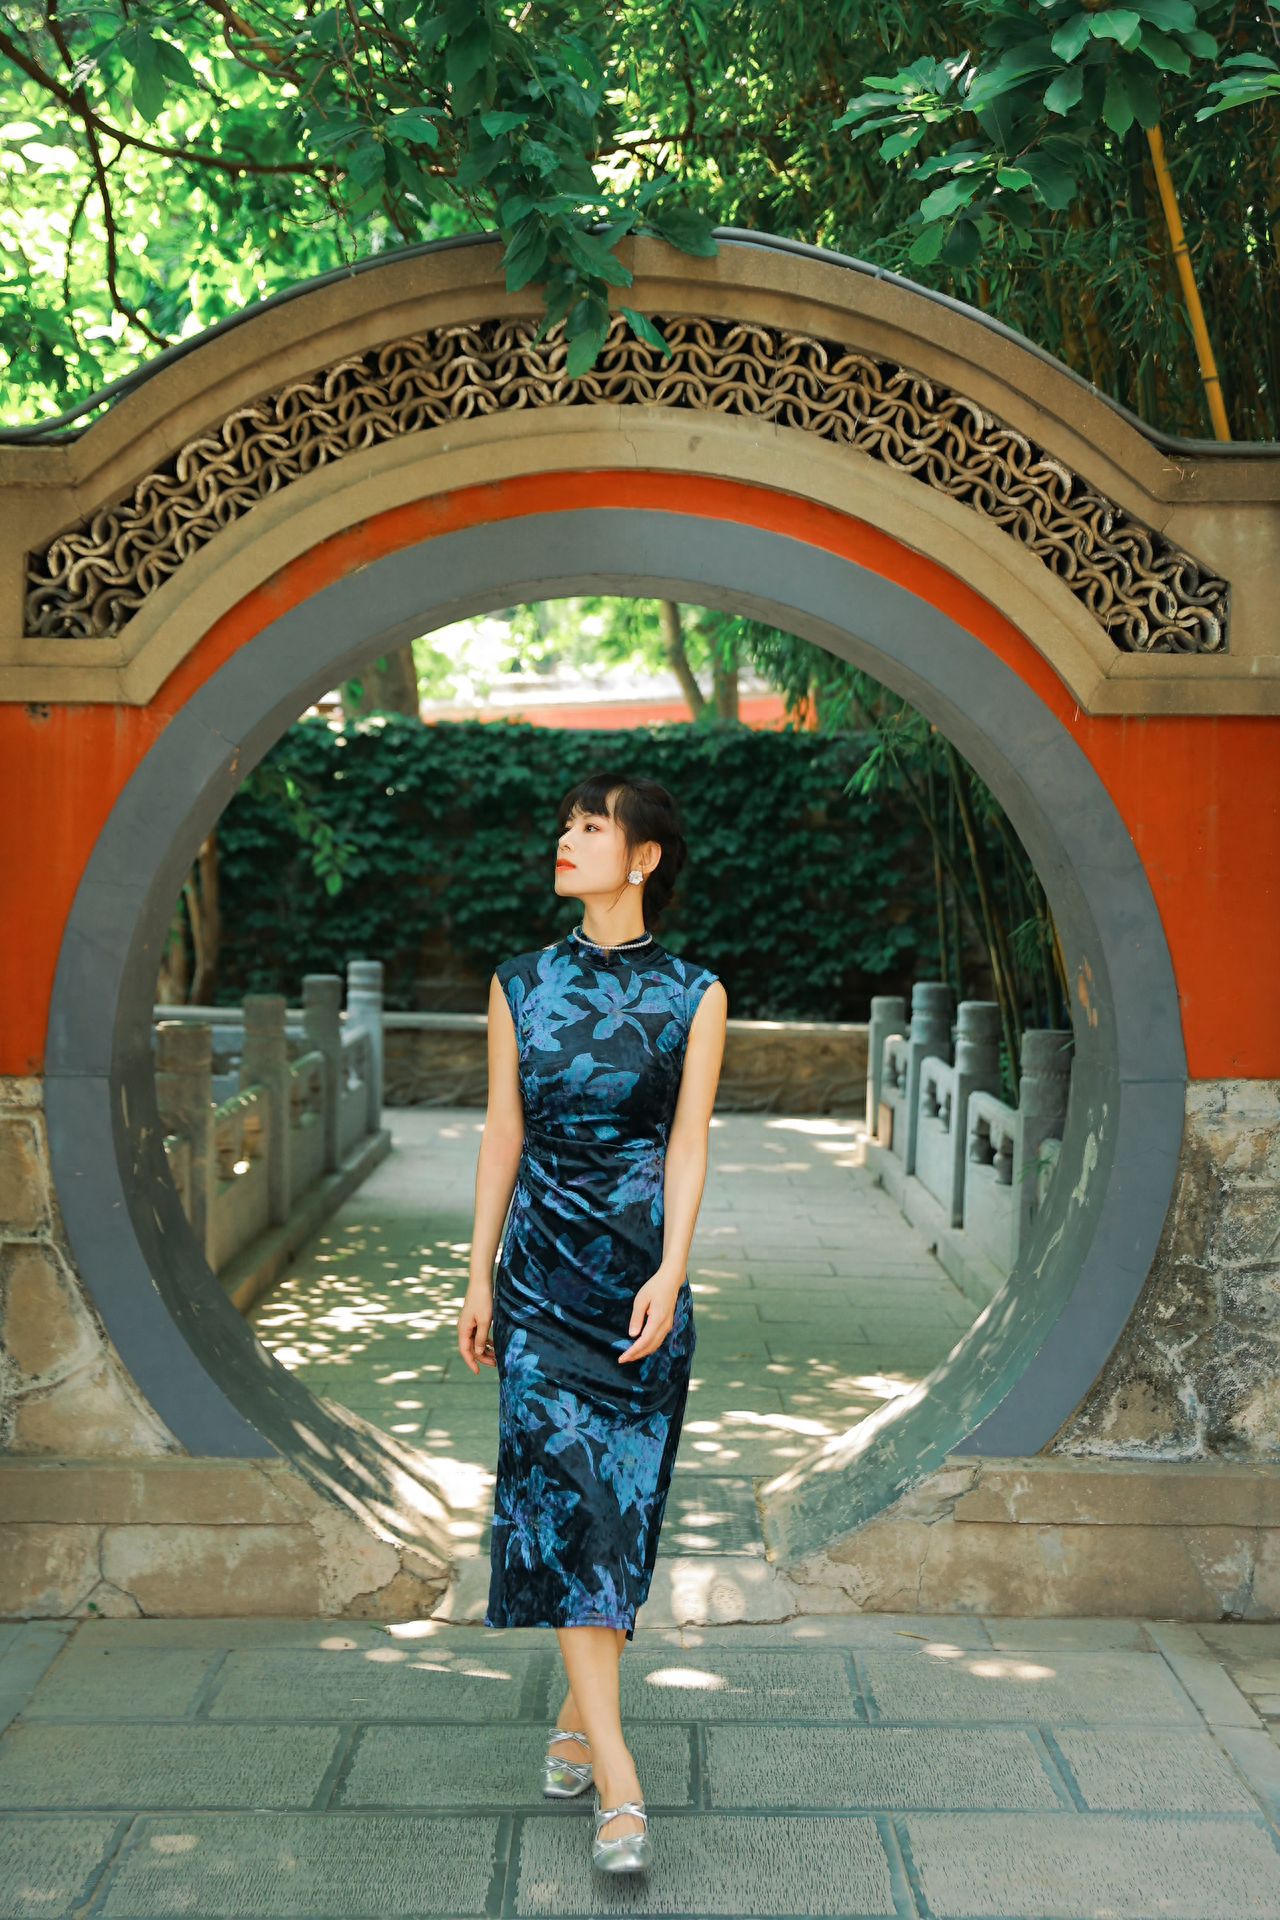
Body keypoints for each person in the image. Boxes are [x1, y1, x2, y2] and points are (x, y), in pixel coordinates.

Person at [458, 769, 727, 1876]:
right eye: (562, 825)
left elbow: (687, 1142)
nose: (564, 841)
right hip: (536, 1289)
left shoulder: (695, 993)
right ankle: (618, 1775)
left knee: (617, 1516)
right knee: (566, 1503)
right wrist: (476, 1277)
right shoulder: (518, 984)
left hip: (636, 1292)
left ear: (643, 858)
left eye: (589, 828)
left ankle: (573, 1718)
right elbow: (499, 1135)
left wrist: (672, 1267)